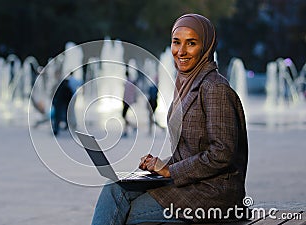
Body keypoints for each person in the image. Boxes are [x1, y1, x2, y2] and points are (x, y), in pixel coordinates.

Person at [90, 14, 248, 224]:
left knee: (129, 212)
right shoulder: (186, 84)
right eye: (176, 42)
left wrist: (170, 170)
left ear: (206, 47)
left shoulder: (214, 88)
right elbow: (189, 150)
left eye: (191, 43)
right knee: (114, 187)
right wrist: (159, 164)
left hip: (213, 195)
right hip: (190, 184)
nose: (180, 51)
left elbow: (222, 153)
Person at [122, 68, 137, 137]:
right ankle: (129, 129)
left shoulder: (128, 83)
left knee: (124, 116)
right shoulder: (129, 82)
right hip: (128, 101)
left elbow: (127, 93)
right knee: (124, 116)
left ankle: (131, 128)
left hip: (126, 102)